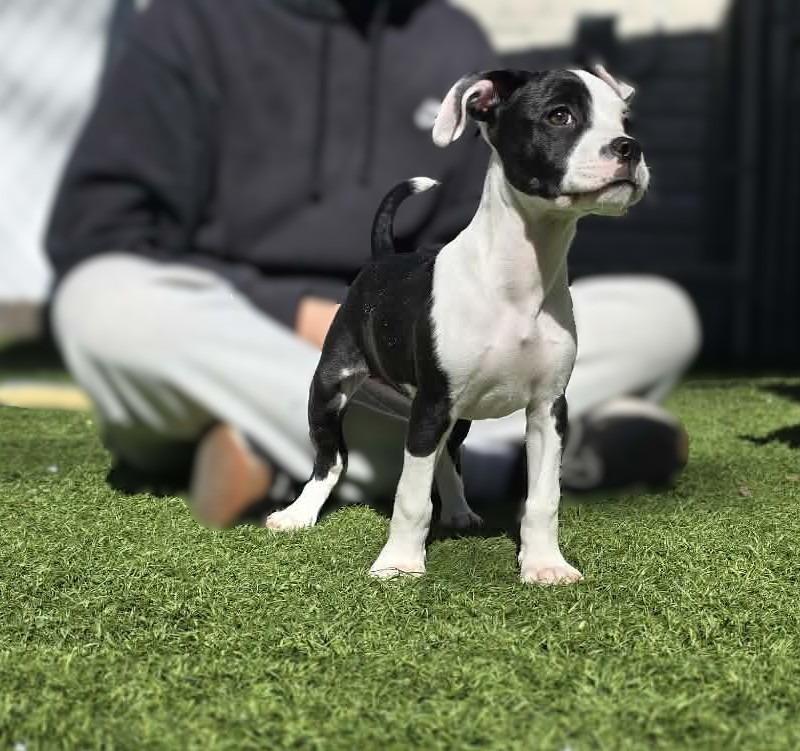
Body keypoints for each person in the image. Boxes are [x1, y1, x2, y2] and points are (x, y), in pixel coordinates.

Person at [47, 0, 701, 528]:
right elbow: (99, 229)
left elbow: (464, 247)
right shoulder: (185, 25)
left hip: (412, 345)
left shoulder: (450, 37)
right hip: (241, 328)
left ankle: (281, 449)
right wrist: (303, 314)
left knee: (660, 315)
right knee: (103, 305)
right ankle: (494, 463)